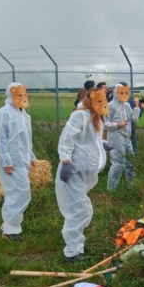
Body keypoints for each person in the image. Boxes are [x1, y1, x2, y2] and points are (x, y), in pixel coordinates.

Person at [55, 88, 114, 262]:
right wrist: (65, 161)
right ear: (91, 101)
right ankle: (72, 252)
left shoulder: (97, 117)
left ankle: (76, 246)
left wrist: (103, 144)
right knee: (79, 209)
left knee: (82, 208)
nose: (104, 104)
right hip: (73, 170)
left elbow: (89, 140)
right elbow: (67, 139)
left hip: (84, 169)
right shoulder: (79, 116)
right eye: (100, 100)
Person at [0, 82, 37, 242]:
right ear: (10, 95)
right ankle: (10, 230)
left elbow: (25, 139)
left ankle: (10, 226)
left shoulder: (23, 114)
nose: (23, 98)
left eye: (24, 94)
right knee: (19, 194)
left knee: (18, 193)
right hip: (11, 162)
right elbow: (0, 139)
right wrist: (6, 161)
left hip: (21, 160)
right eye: (19, 95)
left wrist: (31, 156)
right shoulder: (3, 114)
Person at [105, 83, 141, 190]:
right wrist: (117, 125)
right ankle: (111, 189)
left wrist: (137, 107)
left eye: (126, 92)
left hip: (126, 138)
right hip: (115, 137)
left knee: (130, 161)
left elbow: (134, 120)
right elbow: (104, 124)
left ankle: (131, 186)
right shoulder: (110, 106)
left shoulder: (127, 105)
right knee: (117, 164)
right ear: (116, 92)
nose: (124, 95)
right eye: (121, 92)